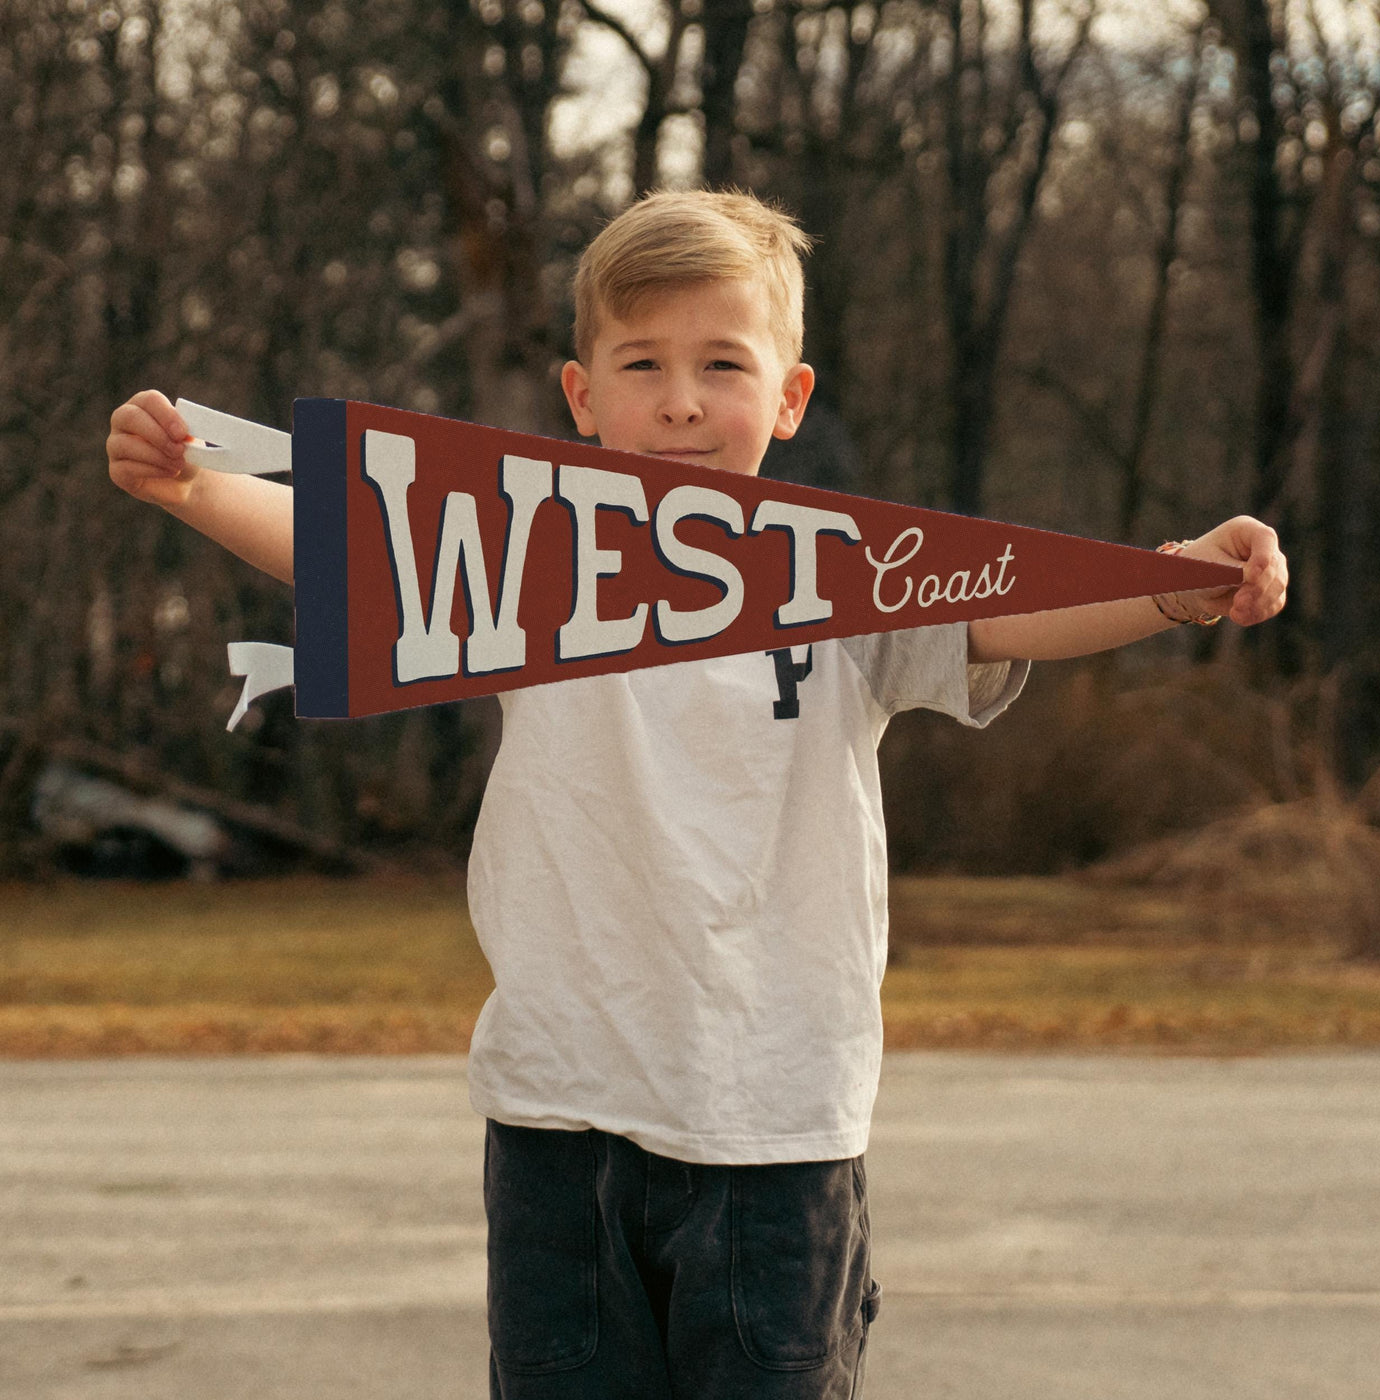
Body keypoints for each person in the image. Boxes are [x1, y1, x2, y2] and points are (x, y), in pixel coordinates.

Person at [108, 189, 1288, 1399]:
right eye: (643, 363)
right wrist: (195, 489)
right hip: (559, 1113)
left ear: (787, 398)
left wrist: (1173, 584)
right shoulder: (530, 564)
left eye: (721, 363)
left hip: (775, 1121)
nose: (680, 398)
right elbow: (357, 550)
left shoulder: (841, 572)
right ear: (581, 397)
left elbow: (1008, 604)